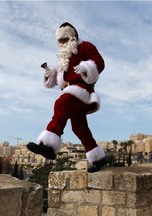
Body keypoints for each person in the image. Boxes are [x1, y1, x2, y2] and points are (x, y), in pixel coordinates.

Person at [27, 22, 107, 172]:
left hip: (81, 90)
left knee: (61, 103)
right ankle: (98, 158)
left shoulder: (86, 47)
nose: (62, 43)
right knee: (79, 127)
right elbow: (59, 79)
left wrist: (87, 66)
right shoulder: (64, 58)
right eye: (60, 41)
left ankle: (48, 145)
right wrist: (49, 74)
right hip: (70, 90)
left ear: (73, 37)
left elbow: (100, 63)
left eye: (65, 39)